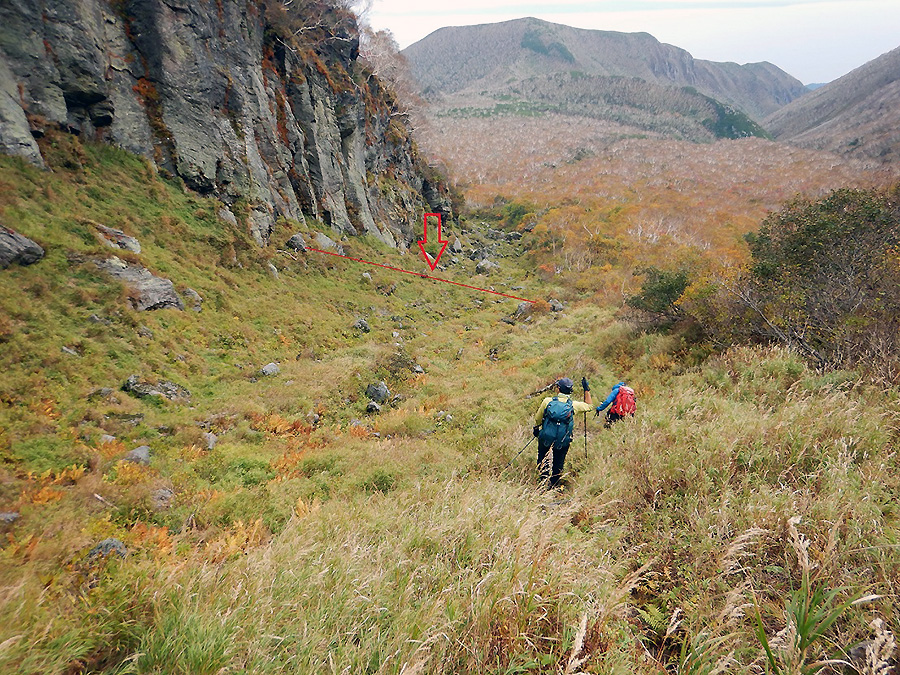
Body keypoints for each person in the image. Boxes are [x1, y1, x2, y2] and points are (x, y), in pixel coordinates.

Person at [533, 377, 593, 488]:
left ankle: (542, 483)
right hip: (563, 439)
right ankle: (555, 485)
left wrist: (536, 429)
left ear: (558, 389)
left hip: (546, 436)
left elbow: (538, 418)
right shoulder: (573, 405)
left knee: (542, 457)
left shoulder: (547, 401)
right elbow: (589, 406)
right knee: (559, 462)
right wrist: (586, 389)